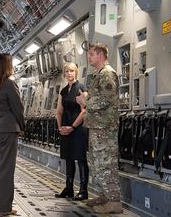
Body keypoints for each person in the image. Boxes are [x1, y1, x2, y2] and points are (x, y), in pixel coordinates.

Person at [76, 43, 123, 214]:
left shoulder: (107, 74)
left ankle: (115, 202)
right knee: (97, 163)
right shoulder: (99, 74)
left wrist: (85, 101)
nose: (89, 58)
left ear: (101, 55)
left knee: (106, 164)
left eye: (91, 54)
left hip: (104, 129)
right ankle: (105, 196)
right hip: (97, 127)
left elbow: (106, 100)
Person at [0, 53, 24, 215]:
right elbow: (18, 108)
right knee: (6, 169)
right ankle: (4, 208)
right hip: (7, 129)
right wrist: (22, 126)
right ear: (6, 66)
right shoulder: (9, 84)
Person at [54, 62, 89, 201]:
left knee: (80, 158)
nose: (69, 73)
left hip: (78, 128)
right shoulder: (63, 91)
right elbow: (59, 111)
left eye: (72, 71)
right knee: (68, 158)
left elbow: (84, 110)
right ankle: (69, 188)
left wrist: (72, 127)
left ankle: (83, 190)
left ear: (76, 72)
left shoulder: (81, 88)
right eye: (67, 71)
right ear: (64, 73)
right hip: (65, 128)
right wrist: (60, 127)